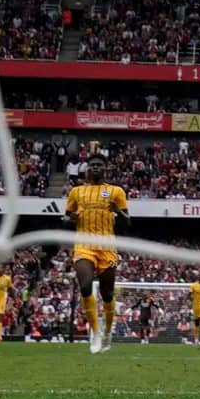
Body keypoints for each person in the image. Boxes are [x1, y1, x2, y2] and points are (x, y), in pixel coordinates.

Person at [64, 152, 129, 354]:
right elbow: (67, 218)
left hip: (107, 247)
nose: (96, 167)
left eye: (100, 164)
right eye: (93, 164)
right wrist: (70, 220)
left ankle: (108, 331)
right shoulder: (76, 192)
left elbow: (127, 223)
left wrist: (117, 211)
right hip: (84, 245)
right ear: (88, 168)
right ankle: (96, 333)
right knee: (84, 286)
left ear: (106, 168)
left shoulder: (116, 191)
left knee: (107, 293)